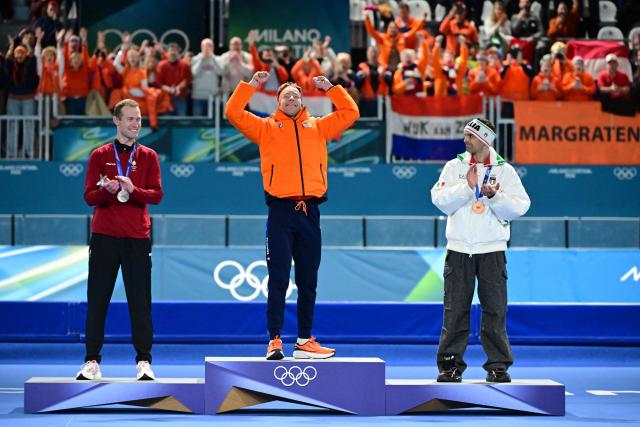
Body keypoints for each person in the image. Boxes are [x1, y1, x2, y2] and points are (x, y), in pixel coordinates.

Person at [225, 72, 359, 360]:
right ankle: (274, 340)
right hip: (281, 212)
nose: (291, 98)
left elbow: (351, 112)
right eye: (286, 95)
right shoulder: (266, 128)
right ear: (277, 101)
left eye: (296, 95)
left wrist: (332, 89)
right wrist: (250, 85)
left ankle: (303, 341)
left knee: (308, 279)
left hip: (310, 211)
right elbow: (233, 111)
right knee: (278, 279)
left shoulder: (319, 127)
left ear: (303, 101)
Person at [431, 117, 530, 383]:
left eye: (470, 136)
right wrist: (467, 188)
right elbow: (439, 200)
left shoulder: (505, 171)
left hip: (492, 251)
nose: (466, 140)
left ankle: (498, 366)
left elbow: (521, 207)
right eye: (465, 135)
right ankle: (450, 366)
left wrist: (494, 196)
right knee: (455, 310)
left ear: (485, 140)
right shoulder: (454, 167)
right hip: (459, 249)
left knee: (495, 310)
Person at [77, 99, 163, 381]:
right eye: (130, 119)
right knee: (98, 300)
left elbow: (157, 196)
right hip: (104, 237)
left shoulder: (149, 155)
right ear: (116, 121)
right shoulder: (99, 155)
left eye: (138, 119)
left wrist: (132, 189)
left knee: (141, 302)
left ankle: (144, 362)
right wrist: (108, 190)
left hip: (137, 238)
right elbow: (89, 196)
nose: (136, 124)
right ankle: (91, 361)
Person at [156, 43, 191, 116]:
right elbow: (159, 82)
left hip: (181, 98)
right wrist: (169, 89)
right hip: (166, 98)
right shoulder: (161, 65)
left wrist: (178, 88)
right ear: (167, 53)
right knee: (167, 122)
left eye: (175, 51)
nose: (173, 53)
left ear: (178, 53)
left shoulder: (185, 65)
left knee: (181, 122)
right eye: (171, 51)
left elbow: (187, 80)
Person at [191, 38, 222, 116]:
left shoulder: (217, 59)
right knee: (198, 123)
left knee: (212, 124)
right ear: (201, 47)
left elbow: (220, 72)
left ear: (213, 47)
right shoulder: (195, 59)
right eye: (205, 46)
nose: (207, 48)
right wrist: (202, 59)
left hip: (212, 96)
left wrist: (213, 59)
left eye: (209, 46)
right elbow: (194, 72)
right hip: (198, 96)